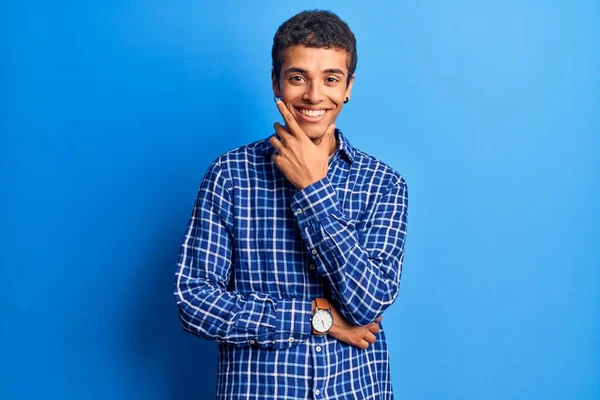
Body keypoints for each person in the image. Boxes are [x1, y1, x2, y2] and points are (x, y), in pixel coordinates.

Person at [174, 10, 408, 400]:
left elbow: (367, 303)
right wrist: (319, 318)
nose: (315, 96)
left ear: (348, 86)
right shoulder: (230, 175)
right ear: (276, 82)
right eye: (298, 77)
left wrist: (312, 187)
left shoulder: (384, 184)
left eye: (331, 79)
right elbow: (194, 301)